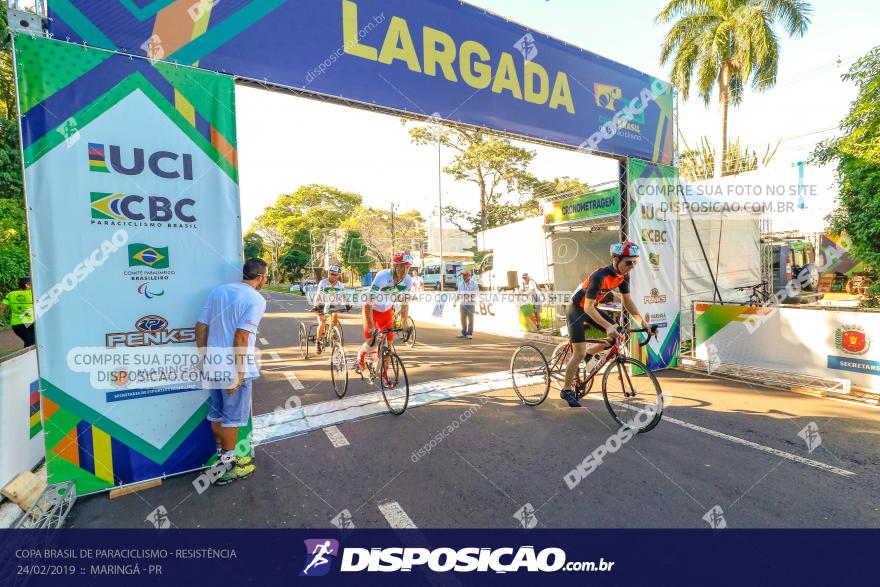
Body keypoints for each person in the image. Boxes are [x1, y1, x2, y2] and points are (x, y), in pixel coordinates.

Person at [196, 258, 268, 485]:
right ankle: (228, 466)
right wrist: (238, 374)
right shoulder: (255, 299)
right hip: (234, 368)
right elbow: (241, 336)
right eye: (266, 276)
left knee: (217, 415)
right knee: (232, 420)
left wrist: (203, 358)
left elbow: (200, 326)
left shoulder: (219, 292)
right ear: (260, 277)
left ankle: (221, 458)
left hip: (214, 364)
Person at [560, 242, 652, 407]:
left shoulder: (623, 276)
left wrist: (642, 322)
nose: (631, 267)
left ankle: (590, 353)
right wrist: (609, 326)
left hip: (590, 310)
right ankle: (566, 389)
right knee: (578, 353)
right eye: (628, 262)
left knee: (615, 336)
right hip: (576, 309)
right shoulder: (600, 276)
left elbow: (627, 301)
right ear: (616, 260)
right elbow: (587, 306)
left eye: (635, 262)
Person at [358, 251, 413, 383]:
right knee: (372, 342)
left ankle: (384, 373)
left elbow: (405, 302)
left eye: (408, 267)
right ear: (395, 265)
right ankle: (361, 353)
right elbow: (368, 303)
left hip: (387, 311)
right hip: (372, 310)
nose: (405, 270)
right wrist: (371, 326)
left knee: (389, 344)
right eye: (403, 266)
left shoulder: (408, 280)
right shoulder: (382, 276)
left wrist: (404, 322)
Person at [310, 264, 347, 354]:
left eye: (335, 274)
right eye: (331, 274)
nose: (333, 276)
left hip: (332, 305)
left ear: (338, 275)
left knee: (335, 315)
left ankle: (333, 331)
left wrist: (347, 304)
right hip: (321, 305)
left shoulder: (340, 285)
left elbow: (344, 296)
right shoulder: (323, 283)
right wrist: (316, 306)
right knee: (322, 322)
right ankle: (318, 342)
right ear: (328, 273)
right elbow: (318, 295)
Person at [1, 277, 35, 348]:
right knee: (31, 343)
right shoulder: (33, 293)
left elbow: (2, 307)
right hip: (28, 322)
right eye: (31, 284)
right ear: (27, 285)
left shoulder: (11, 294)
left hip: (16, 324)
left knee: (30, 341)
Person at [456, 268, 478, 339]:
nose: (463, 277)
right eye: (462, 275)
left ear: (469, 275)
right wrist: (456, 300)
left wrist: (470, 296)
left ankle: (469, 333)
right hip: (462, 303)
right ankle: (463, 333)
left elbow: (476, 293)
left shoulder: (474, 284)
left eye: (464, 275)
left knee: (470, 319)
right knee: (462, 319)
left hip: (470, 304)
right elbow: (458, 292)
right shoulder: (460, 283)